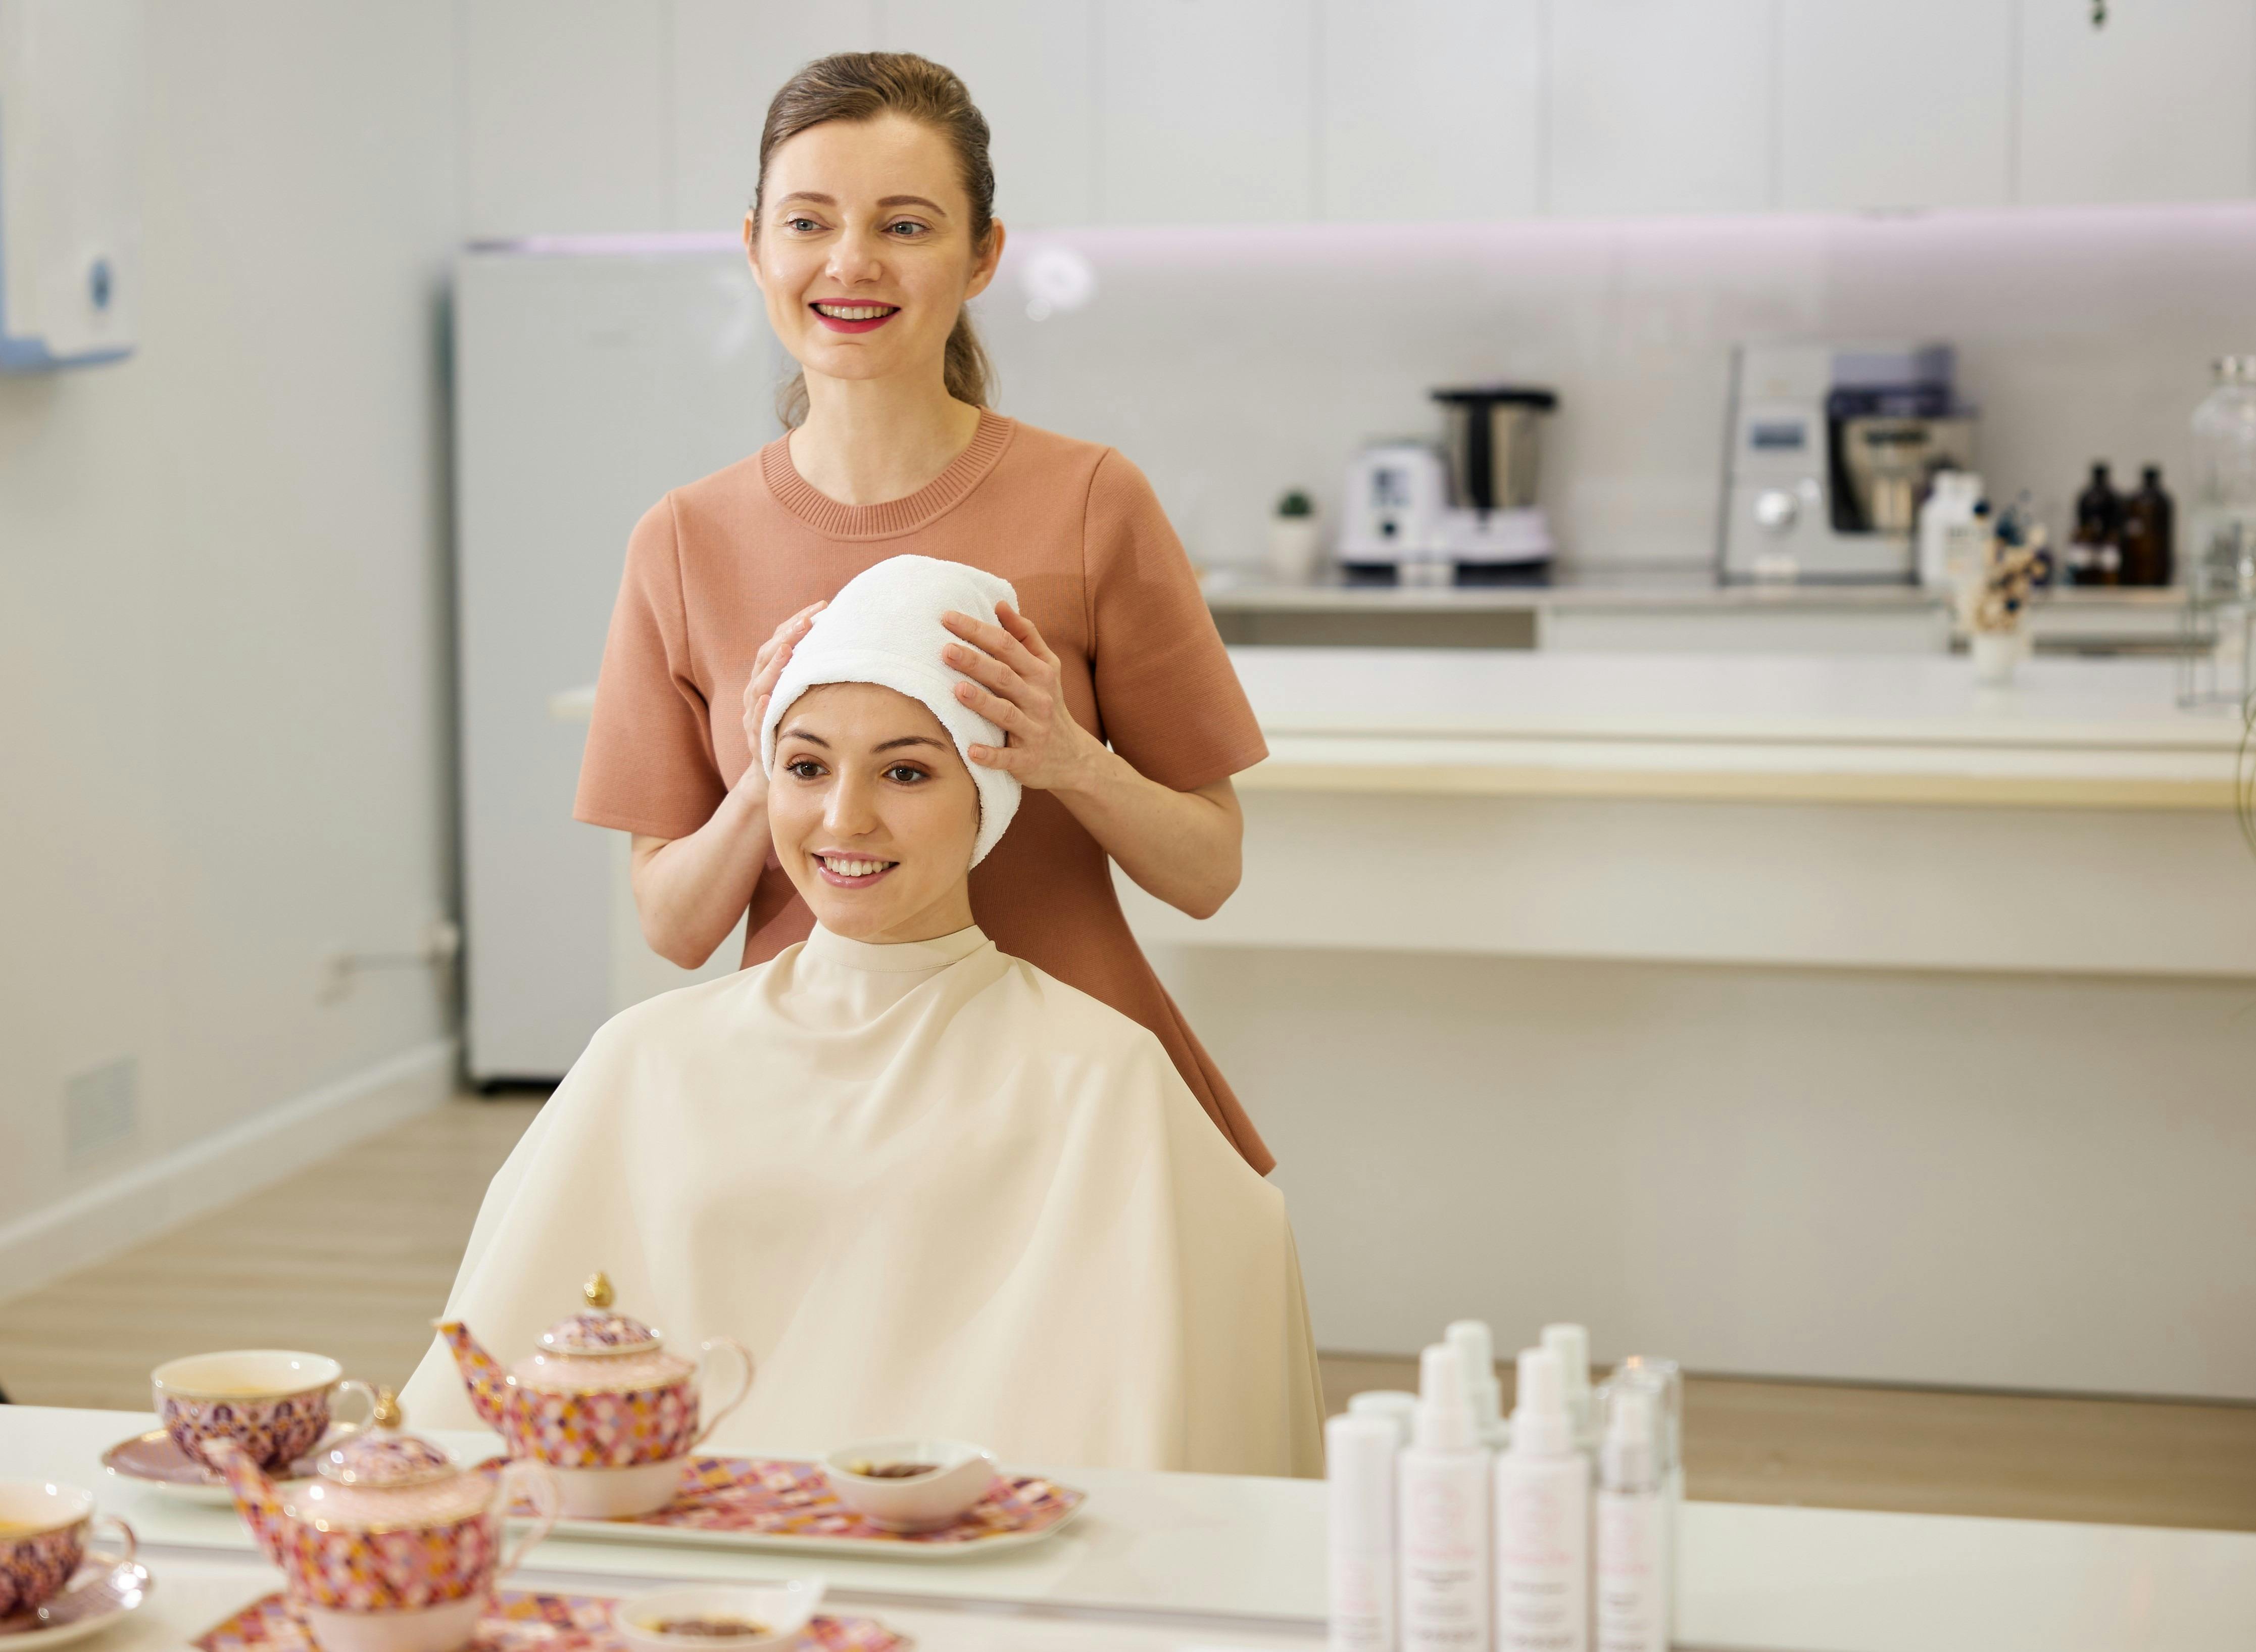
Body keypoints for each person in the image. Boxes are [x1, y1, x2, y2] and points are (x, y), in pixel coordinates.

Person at [403, 557, 1325, 1476]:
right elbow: (483, 1414)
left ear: (986, 795)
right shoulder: (645, 1060)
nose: (845, 817)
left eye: (906, 773)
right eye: (805, 765)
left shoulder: (1101, 1074)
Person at [573, 51, 1277, 1175]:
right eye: (809, 222)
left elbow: (1207, 872)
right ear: (754, 243)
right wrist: (771, 774)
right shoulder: (683, 540)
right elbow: (674, 925)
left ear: (983, 255)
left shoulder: (1092, 501)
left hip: (1065, 1117)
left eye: (905, 226)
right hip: (813, 1124)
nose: (850, 263)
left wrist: (1066, 759)